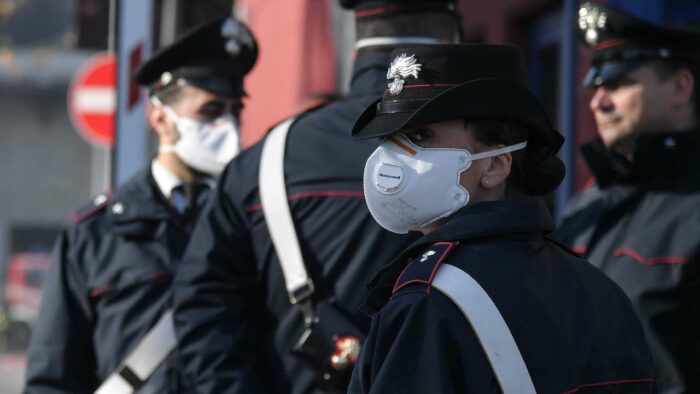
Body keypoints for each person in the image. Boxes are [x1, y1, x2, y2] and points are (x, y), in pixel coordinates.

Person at [170, 1, 462, 393]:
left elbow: (202, 309)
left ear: (356, 44)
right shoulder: (487, 162)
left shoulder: (264, 161)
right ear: (453, 38)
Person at [346, 43, 654, 393]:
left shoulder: (428, 302)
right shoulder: (602, 291)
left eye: (420, 136)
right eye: (390, 138)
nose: (392, 157)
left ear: (493, 166)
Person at [24, 17, 257, 393]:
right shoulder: (96, 232)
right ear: (159, 117)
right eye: (211, 111)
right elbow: (54, 377)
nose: (228, 126)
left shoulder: (251, 226)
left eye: (235, 111)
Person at [556, 3, 700, 392]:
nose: (597, 102)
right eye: (595, 86)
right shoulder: (584, 207)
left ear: (680, 87)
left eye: (617, 84)